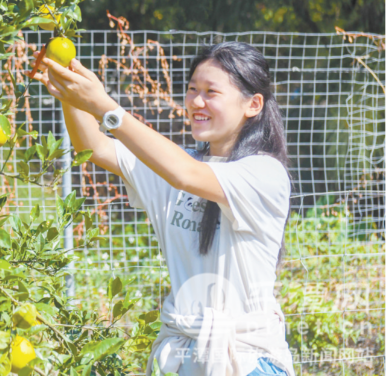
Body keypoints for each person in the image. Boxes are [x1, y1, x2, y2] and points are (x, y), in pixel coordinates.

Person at [30, 41, 295, 376]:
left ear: (253, 104)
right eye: (192, 89)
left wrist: (107, 108)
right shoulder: (178, 165)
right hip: (182, 359)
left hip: (245, 360)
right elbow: (95, 147)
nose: (197, 101)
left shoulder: (264, 174)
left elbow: (186, 175)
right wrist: (71, 91)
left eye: (211, 92)